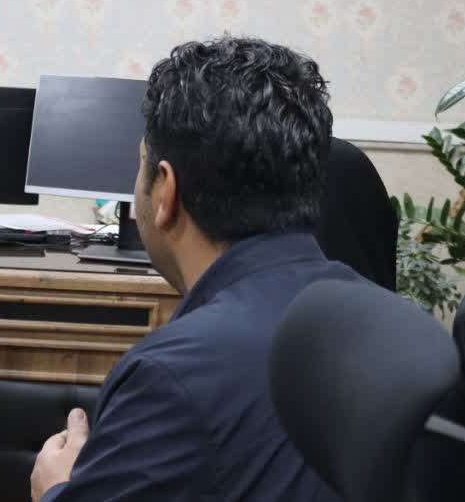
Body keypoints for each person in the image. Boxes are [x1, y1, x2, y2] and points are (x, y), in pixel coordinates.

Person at [31, 36, 362, 502]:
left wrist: (56, 490)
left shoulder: (170, 376)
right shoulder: (401, 326)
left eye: (141, 165)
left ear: (165, 190)